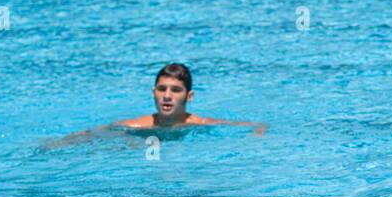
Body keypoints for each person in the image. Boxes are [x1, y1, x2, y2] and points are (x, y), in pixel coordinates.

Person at [45, 63, 265, 148]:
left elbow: (257, 125)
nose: (167, 96)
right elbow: (94, 133)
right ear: (154, 93)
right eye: (161, 89)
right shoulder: (138, 125)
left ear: (189, 96)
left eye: (175, 90)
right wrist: (59, 143)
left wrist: (256, 140)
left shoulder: (199, 123)